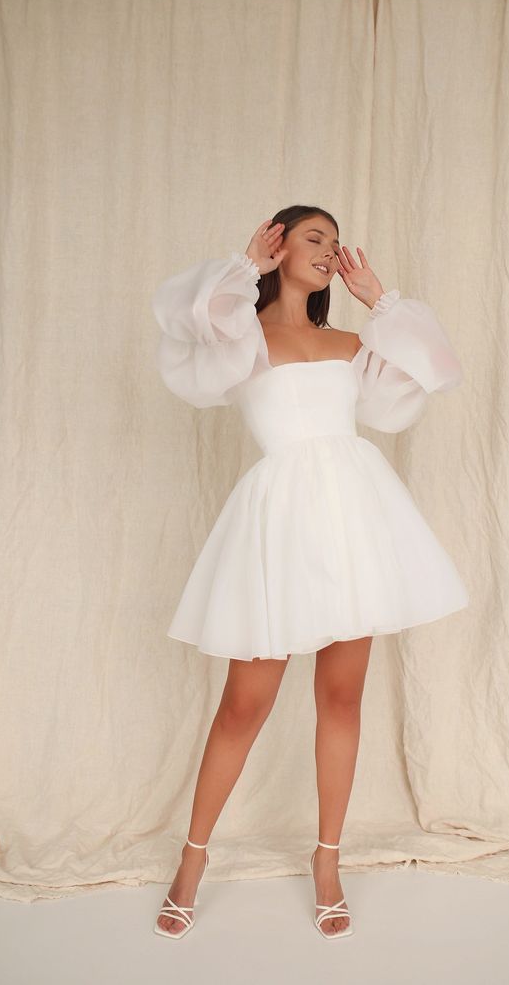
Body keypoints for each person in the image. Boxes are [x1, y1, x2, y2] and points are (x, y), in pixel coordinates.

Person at [150, 205, 469, 939]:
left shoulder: (352, 342)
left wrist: (380, 302)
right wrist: (241, 269)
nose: (329, 251)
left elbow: (429, 372)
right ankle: (192, 860)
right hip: (279, 524)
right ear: (277, 244)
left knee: (341, 698)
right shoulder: (236, 339)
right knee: (244, 705)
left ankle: (327, 861)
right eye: (313, 238)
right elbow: (187, 319)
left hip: (354, 519)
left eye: (335, 241)